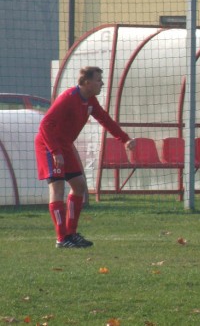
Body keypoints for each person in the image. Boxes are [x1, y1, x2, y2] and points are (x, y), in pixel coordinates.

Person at [35, 66, 136, 248]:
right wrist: (55, 151)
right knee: (57, 188)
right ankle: (61, 238)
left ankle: (71, 234)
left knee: (79, 186)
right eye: (98, 79)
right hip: (48, 145)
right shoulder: (68, 97)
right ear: (87, 82)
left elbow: (105, 119)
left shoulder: (90, 101)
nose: (102, 83)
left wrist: (124, 139)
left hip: (65, 145)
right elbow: (45, 125)